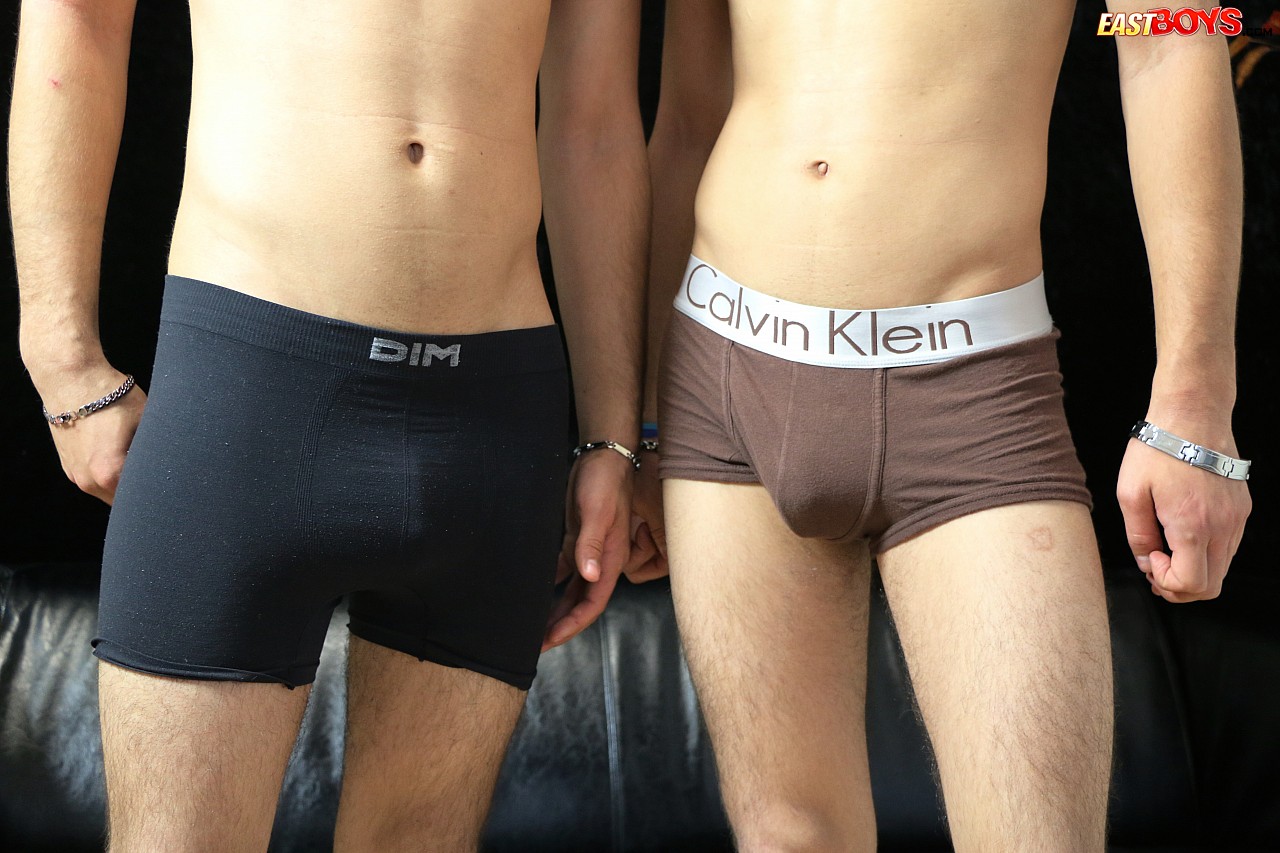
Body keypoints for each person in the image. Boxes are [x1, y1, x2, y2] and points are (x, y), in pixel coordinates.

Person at [11, 0, 651, 849]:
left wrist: (611, 436)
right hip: (250, 387)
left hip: (493, 416)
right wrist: (62, 357)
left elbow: (595, 122)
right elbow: (79, 18)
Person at [645, 0, 1252, 850]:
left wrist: (1194, 408)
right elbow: (688, 115)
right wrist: (641, 428)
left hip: (971, 386)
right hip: (721, 366)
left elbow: (1169, 42)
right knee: (787, 836)